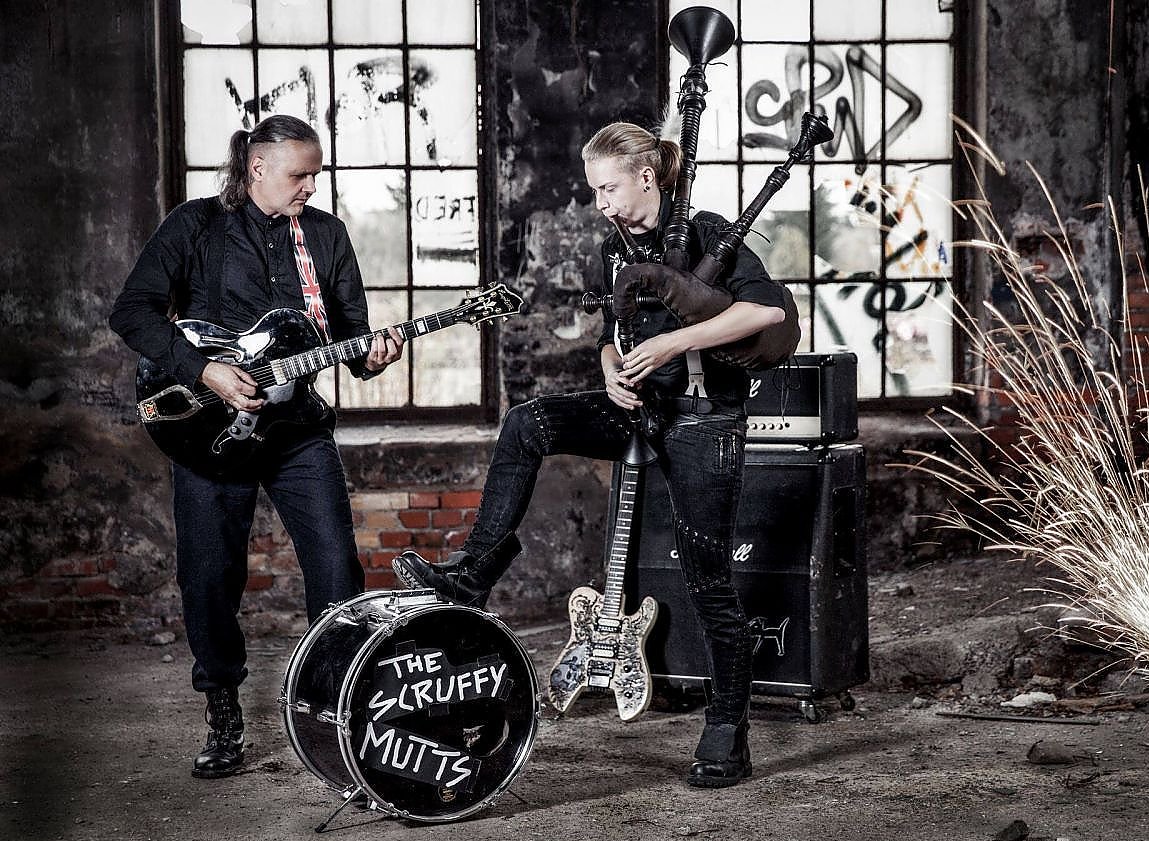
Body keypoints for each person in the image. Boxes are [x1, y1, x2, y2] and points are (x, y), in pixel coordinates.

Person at [393, 121, 789, 789]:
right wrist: (610, 370)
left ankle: (728, 730)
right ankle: (472, 573)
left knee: (708, 582)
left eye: (609, 189)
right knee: (527, 423)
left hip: (703, 420)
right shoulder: (614, 246)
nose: (601, 204)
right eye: (595, 191)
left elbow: (767, 313)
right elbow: (614, 332)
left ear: (647, 177)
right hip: (639, 406)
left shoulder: (705, 231)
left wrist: (673, 343)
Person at [109, 115, 404, 779]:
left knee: (337, 568)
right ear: (257, 168)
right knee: (209, 577)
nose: (310, 187)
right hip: (208, 434)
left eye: (315, 175)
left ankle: (336, 707)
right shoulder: (195, 225)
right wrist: (202, 369)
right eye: (300, 175)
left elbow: (351, 341)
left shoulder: (325, 235)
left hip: (297, 431)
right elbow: (132, 311)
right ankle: (223, 710)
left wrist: (373, 355)